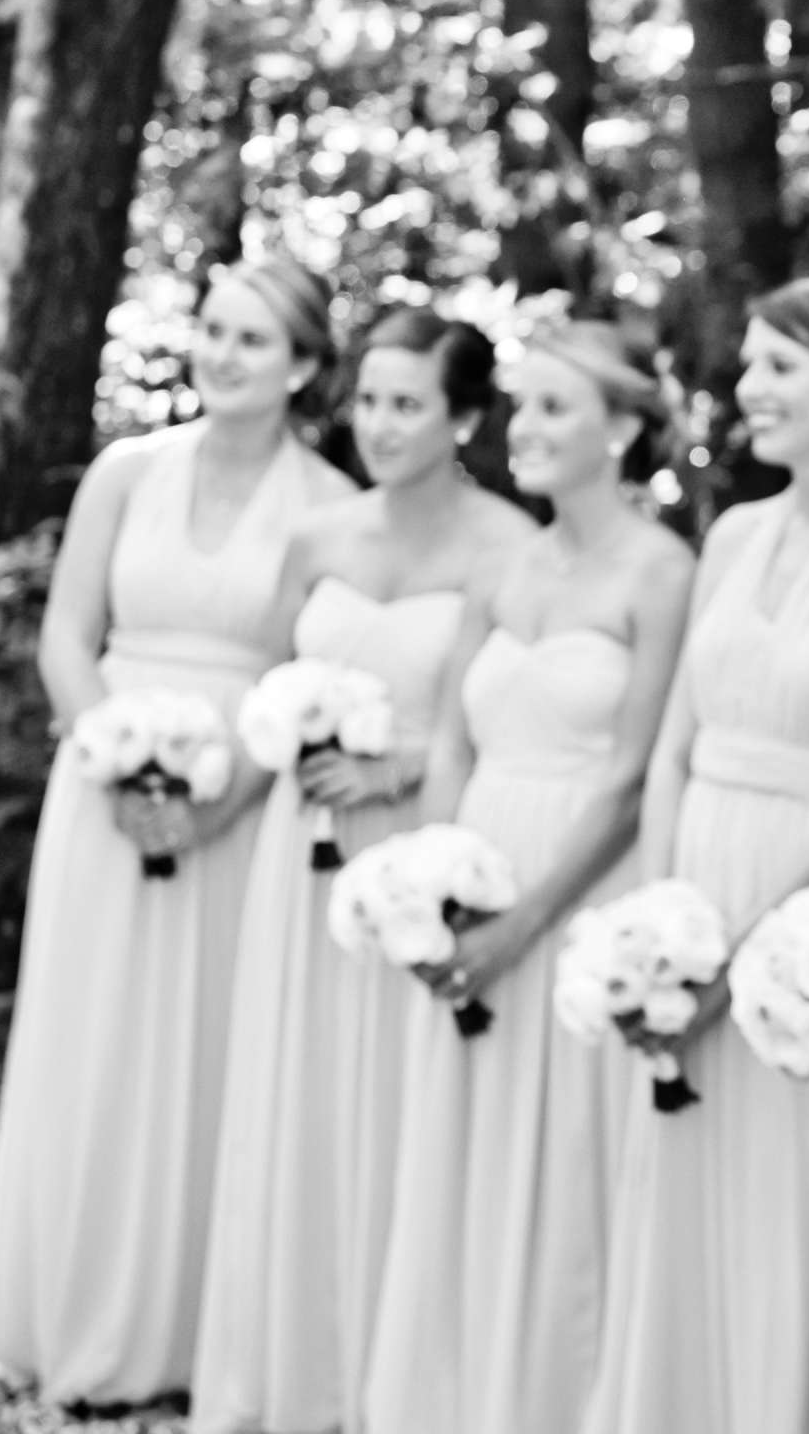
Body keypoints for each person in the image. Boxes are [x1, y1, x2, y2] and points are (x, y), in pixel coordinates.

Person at [0, 254, 357, 1409]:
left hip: (243, 814)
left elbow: (313, 677)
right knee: (94, 1044)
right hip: (100, 801)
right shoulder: (125, 471)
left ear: (301, 365)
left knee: (211, 1059)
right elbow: (64, 636)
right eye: (211, 328)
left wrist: (216, 800)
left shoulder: (334, 506)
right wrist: (110, 757)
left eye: (252, 338)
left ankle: (194, 1334)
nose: (222, 353)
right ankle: (69, 1317)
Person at [580, 274, 809, 1434]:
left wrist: (744, 953)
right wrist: (659, 929)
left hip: (805, 907)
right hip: (689, 872)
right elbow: (673, 748)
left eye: (778, 366)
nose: (749, 389)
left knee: (778, 1193)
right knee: (670, 1182)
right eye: (749, 365)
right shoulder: (734, 531)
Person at [189, 309, 532, 1434]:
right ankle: (288, 1374)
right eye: (368, 400)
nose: (377, 424)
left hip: (418, 852)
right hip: (302, 861)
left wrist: (396, 770)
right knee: (296, 1093)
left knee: (402, 1099)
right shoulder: (318, 538)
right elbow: (267, 701)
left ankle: (393, 1383)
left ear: (466, 418)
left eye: (407, 404)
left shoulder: (509, 545)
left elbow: (496, 727)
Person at [359, 321, 692, 1434]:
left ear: (628, 427)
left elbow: (637, 772)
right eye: (524, 405)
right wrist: (432, 882)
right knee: (464, 1148)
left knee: (565, 1167)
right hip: (480, 864)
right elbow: (453, 732)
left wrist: (522, 925)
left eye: (558, 406)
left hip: (581, 884)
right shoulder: (505, 561)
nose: (528, 429)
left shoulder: (664, 569)